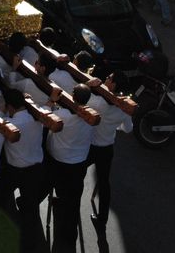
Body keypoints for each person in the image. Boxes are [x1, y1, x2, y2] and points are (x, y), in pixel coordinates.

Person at [46, 84, 94, 253]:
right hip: (78, 163)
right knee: (73, 200)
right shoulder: (91, 117)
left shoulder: (61, 115)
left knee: (58, 188)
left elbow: (46, 115)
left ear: (73, 97)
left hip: (59, 161)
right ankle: (69, 234)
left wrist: (52, 101)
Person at [87, 71, 133, 232]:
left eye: (109, 78)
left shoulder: (98, 101)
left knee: (75, 173)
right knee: (104, 183)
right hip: (106, 148)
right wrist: (116, 124)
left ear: (112, 85)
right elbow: (128, 129)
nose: (106, 78)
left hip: (90, 146)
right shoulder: (123, 108)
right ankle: (102, 220)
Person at [2, 88, 45, 253]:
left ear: (10, 107)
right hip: (35, 170)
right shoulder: (38, 118)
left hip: (13, 170)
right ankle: (28, 246)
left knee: (2, 201)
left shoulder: (9, 123)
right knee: (31, 211)